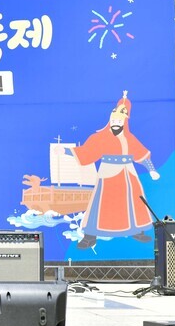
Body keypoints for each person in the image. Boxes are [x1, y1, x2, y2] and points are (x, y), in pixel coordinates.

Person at [68, 91, 159, 249]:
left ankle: (137, 231)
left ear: (124, 122)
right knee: (102, 204)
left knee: (134, 202)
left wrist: (151, 170)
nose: (116, 122)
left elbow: (141, 155)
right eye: (114, 120)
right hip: (109, 174)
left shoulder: (130, 138)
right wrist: (65, 151)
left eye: (119, 120)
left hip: (128, 174)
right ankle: (90, 237)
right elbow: (85, 152)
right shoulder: (100, 137)